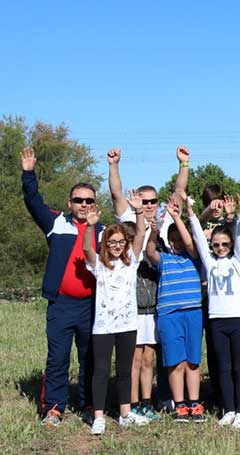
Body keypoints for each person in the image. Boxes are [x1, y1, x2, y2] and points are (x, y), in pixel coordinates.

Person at [21, 147, 103, 427]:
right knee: (57, 358)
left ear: (94, 204)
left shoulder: (102, 231)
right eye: (79, 200)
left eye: (89, 200)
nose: (84, 204)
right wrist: (28, 173)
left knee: (90, 358)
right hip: (61, 304)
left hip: (92, 306)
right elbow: (33, 201)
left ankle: (89, 404)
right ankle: (54, 408)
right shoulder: (55, 223)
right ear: (70, 203)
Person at [108, 146, 176, 421]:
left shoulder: (163, 223)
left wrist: (183, 165)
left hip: (155, 303)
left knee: (149, 357)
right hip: (132, 304)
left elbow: (179, 192)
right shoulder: (128, 220)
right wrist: (114, 166)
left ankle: (147, 402)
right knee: (134, 357)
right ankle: (132, 403)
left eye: (152, 201)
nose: (148, 206)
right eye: (144, 201)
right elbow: (116, 194)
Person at [82, 193, 152, 434]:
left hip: (127, 325)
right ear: (105, 244)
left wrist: (139, 211)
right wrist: (89, 226)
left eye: (120, 242)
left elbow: (140, 235)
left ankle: (125, 414)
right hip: (103, 327)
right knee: (101, 371)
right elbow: (86, 248)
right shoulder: (99, 265)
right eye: (111, 242)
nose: (116, 246)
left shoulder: (131, 262)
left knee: (124, 371)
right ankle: (99, 417)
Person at [189, 190, 240, 429]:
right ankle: (229, 409)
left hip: (238, 319)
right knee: (223, 367)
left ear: (231, 244)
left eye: (225, 244)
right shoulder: (210, 261)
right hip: (216, 319)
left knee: (238, 367)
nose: (220, 247)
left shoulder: (237, 260)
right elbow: (198, 236)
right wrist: (190, 212)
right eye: (216, 244)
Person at [145, 194, 206, 423]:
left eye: (180, 239)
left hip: (193, 312)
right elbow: (149, 252)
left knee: (192, 362)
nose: (177, 243)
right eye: (173, 240)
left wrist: (176, 217)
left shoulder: (194, 257)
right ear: (168, 241)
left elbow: (190, 244)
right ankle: (179, 404)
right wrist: (154, 233)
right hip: (169, 315)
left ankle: (195, 403)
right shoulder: (164, 259)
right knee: (175, 361)